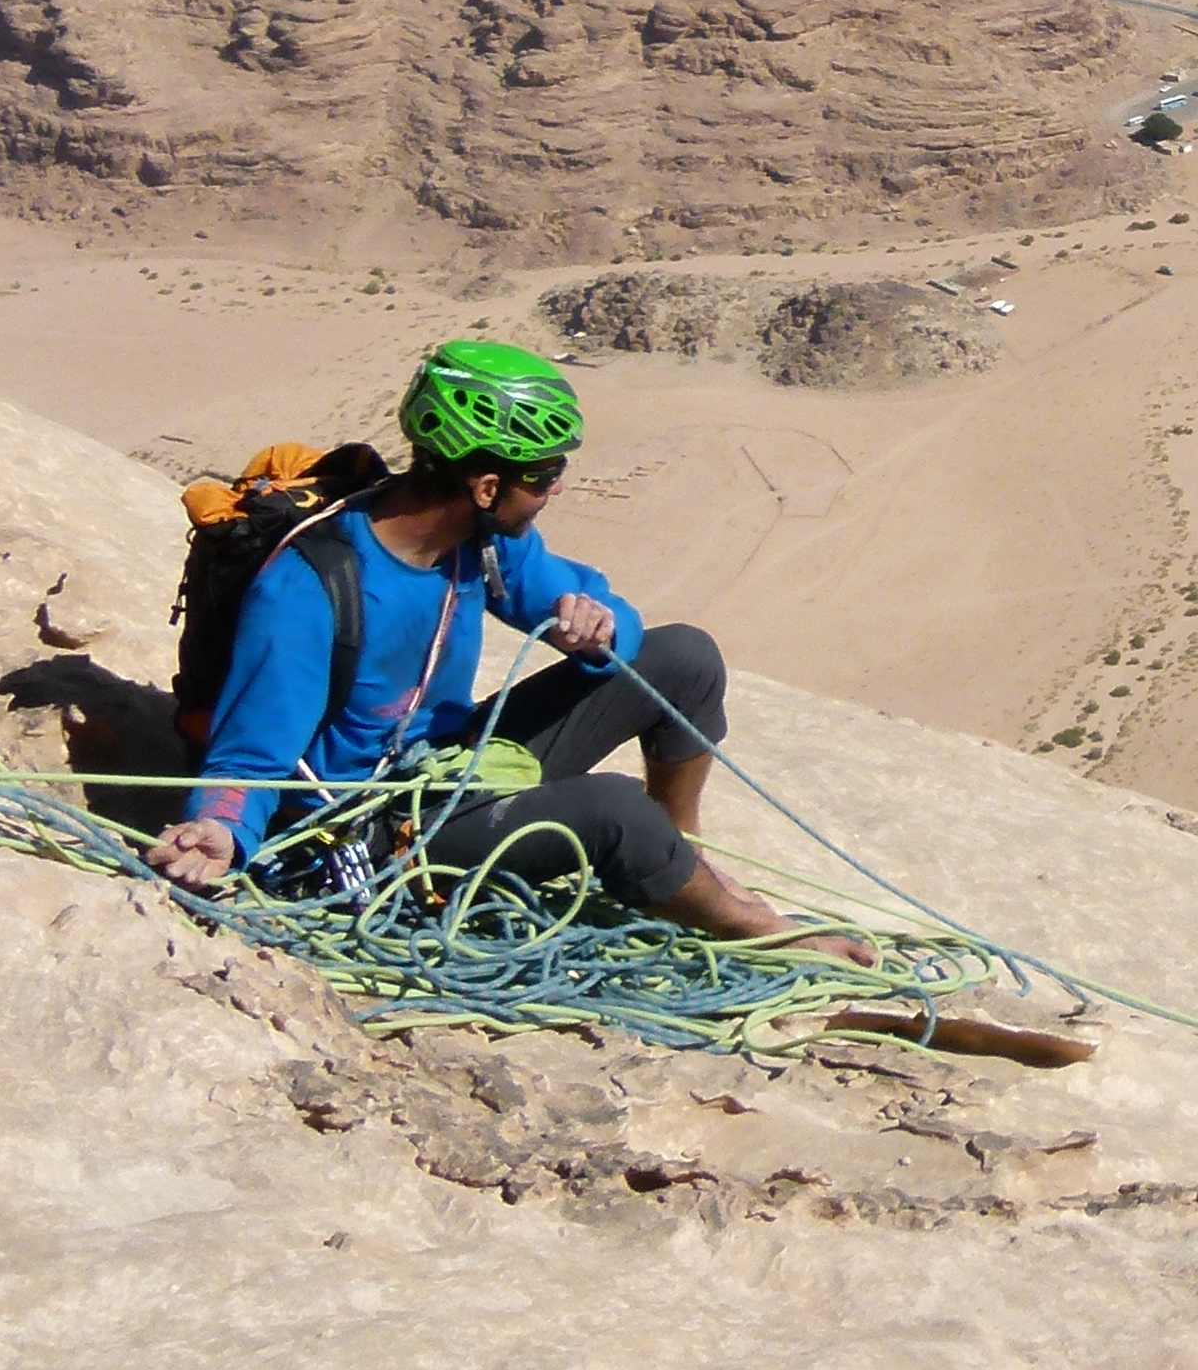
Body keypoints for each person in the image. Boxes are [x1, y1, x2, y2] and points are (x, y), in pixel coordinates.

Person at [142, 340, 831, 945]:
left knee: (686, 659)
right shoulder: (307, 591)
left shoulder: (486, 544)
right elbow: (251, 757)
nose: (555, 487)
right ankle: (759, 934)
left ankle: (684, 856)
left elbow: (599, 608)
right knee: (614, 810)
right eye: (543, 474)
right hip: (372, 827)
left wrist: (600, 624)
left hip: (446, 766)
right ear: (486, 484)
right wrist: (220, 830)